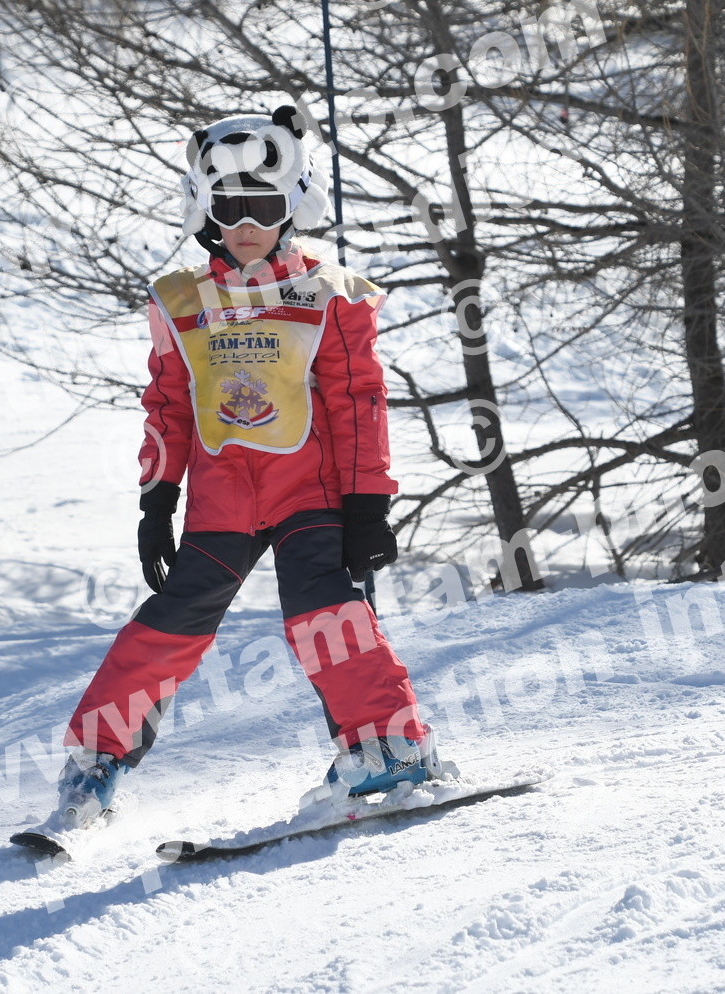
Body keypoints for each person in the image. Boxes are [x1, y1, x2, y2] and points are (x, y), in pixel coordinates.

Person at [48, 106, 444, 833]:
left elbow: (359, 402)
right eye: (229, 208)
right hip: (221, 503)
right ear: (205, 209)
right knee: (169, 623)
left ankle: (390, 748)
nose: (247, 224)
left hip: (309, 494)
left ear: (294, 202)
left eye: (262, 205)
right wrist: (157, 499)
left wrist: (367, 504)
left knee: (323, 613)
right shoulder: (181, 301)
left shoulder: (330, 294)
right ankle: (95, 765)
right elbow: (168, 404)